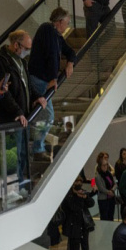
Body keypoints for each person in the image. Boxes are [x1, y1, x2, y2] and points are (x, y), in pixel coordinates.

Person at [0, 30, 47, 185]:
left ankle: (23, 182)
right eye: (26, 48)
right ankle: (16, 185)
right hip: (12, 118)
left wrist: (36, 97)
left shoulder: (22, 62)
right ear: (16, 45)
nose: (27, 52)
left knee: (23, 153)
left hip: (25, 116)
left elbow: (27, 85)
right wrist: (17, 111)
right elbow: (3, 92)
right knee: (15, 154)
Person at [28, 8, 77, 161]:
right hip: (39, 78)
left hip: (44, 79)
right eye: (66, 23)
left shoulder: (57, 36)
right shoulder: (47, 29)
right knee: (47, 114)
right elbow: (51, 55)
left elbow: (70, 52)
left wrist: (70, 64)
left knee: (43, 114)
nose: (67, 26)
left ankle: (36, 145)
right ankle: (37, 147)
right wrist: (52, 79)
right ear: (59, 22)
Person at [62, 178, 95, 250]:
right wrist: (79, 197)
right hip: (73, 223)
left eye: (80, 182)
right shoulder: (69, 196)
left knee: (85, 244)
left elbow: (91, 203)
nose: (79, 184)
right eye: (77, 182)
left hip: (84, 223)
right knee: (75, 245)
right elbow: (74, 207)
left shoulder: (83, 193)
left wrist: (85, 197)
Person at [94, 153, 117, 221]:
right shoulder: (98, 175)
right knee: (104, 217)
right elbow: (101, 188)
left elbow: (115, 184)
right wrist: (108, 192)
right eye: (103, 165)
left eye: (106, 165)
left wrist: (112, 190)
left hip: (111, 198)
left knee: (111, 216)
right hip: (103, 199)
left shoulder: (109, 173)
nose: (105, 167)